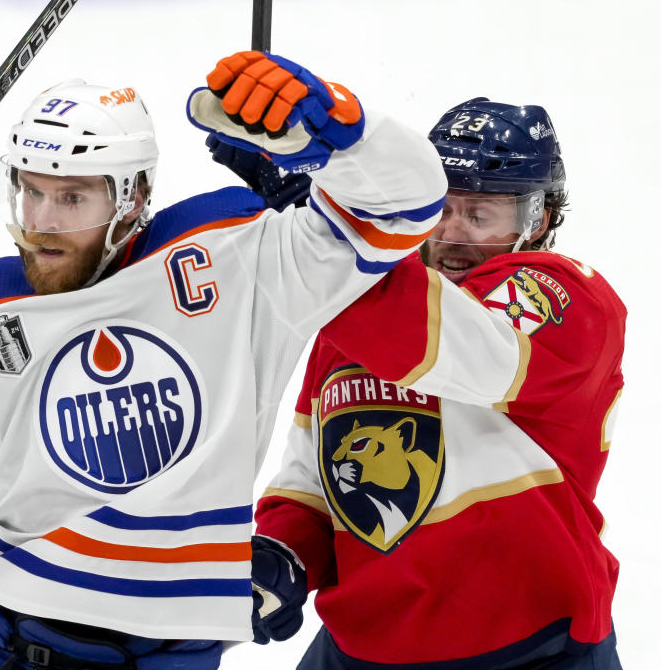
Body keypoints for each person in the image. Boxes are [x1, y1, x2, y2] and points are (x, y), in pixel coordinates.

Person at [0, 51, 447, 670]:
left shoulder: (241, 258)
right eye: (31, 191)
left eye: (72, 198)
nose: (41, 220)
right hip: (0, 642)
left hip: (170, 654)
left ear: (132, 196)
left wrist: (336, 131)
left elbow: (407, 205)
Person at [246, 97, 626, 669]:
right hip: (359, 650)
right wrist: (286, 551)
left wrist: (326, 242)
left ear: (538, 220)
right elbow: (314, 470)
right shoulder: (358, 305)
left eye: (479, 215)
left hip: (533, 650)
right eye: (439, 209)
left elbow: (448, 340)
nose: (450, 233)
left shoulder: (568, 298)